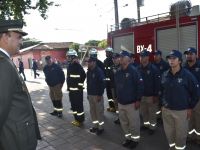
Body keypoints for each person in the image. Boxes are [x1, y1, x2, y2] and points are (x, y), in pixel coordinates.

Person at [0, 20, 41, 150]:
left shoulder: (6, 61)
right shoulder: (2, 64)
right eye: (19, 37)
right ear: (5, 37)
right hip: (15, 140)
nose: (21, 42)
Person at [161, 50, 199, 150]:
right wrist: (162, 104)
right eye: (169, 58)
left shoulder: (187, 75)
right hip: (167, 110)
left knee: (181, 136)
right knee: (169, 133)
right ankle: (172, 148)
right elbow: (161, 90)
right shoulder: (165, 74)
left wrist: (190, 107)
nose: (171, 61)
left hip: (181, 111)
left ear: (180, 61)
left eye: (174, 58)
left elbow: (195, 92)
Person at [115, 50, 144, 149]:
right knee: (124, 123)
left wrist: (138, 100)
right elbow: (117, 86)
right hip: (121, 102)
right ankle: (128, 138)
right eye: (120, 57)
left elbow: (140, 86)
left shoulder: (134, 71)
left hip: (132, 103)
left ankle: (135, 140)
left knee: (134, 123)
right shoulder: (118, 71)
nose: (120, 58)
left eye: (123, 57)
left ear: (128, 59)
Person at [137, 49, 160, 135]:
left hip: (151, 95)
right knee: (143, 112)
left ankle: (152, 127)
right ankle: (146, 125)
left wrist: (156, 95)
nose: (142, 58)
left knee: (152, 113)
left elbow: (157, 83)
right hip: (142, 95)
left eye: (143, 56)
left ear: (147, 57)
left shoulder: (153, 69)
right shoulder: (138, 68)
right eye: (141, 56)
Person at [183, 47, 200, 145]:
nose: (189, 55)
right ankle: (190, 136)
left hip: (198, 97)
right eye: (187, 54)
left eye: (191, 53)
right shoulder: (183, 67)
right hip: (187, 98)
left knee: (198, 118)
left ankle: (198, 137)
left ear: (196, 55)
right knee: (189, 118)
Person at [66, 49, 86, 127]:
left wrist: (80, 85)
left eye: (68, 57)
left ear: (72, 57)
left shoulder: (77, 65)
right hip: (72, 90)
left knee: (78, 106)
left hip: (77, 91)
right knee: (74, 105)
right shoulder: (70, 65)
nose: (67, 58)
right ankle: (76, 119)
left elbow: (84, 75)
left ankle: (80, 120)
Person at [87, 57, 105, 135]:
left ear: (94, 62)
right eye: (88, 62)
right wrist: (88, 94)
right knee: (92, 112)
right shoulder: (89, 71)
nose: (88, 63)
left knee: (99, 112)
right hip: (90, 94)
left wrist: (100, 94)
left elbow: (102, 83)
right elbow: (88, 83)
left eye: (90, 62)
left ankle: (101, 128)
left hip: (97, 95)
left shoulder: (99, 71)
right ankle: (95, 126)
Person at [152, 50, 169, 122]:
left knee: (163, 103)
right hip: (155, 87)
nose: (155, 56)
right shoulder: (152, 64)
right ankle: (158, 117)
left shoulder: (165, 64)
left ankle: (163, 118)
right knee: (156, 103)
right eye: (154, 55)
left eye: (157, 55)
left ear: (160, 56)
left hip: (163, 87)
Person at [104, 47, 116, 112]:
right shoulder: (105, 61)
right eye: (106, 52)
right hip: (107, 81)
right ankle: (111, 106)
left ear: (111, 53)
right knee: (109, 95)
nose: (106, 53)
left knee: (113, 95)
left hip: (112, 82)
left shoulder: (113, 60)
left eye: (107, 52)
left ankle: (114, 107)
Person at [110, 53, 121, 124]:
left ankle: (123, 118)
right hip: (113, 88)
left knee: (121, 103)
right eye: (113, 58)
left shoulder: (122, 67)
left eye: (115, 58)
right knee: (116, 103)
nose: (114, 60)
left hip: (120, 88)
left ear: (119, 58)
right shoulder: (112, 67)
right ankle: (119, 117)